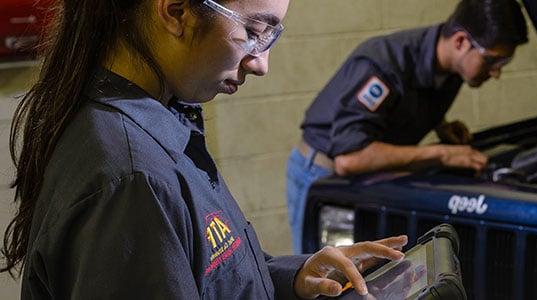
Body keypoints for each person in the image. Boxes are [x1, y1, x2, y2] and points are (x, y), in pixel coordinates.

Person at [0, 0, 406, 298]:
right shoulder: (131, 178)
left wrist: (296, 276)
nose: (261, 63)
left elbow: (210, 272)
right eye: (253, 32)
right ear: (176, 12)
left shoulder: (166, 119)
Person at [286, 0, 529, 254]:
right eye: (493, 61)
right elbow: (349, 158)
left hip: (375, 177)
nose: (496, 73)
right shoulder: (384, 66)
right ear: (460, 42)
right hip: (323, 173)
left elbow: (407, 102)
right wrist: (443, 154)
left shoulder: (451, 68)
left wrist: (441, 125)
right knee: (327, 279)